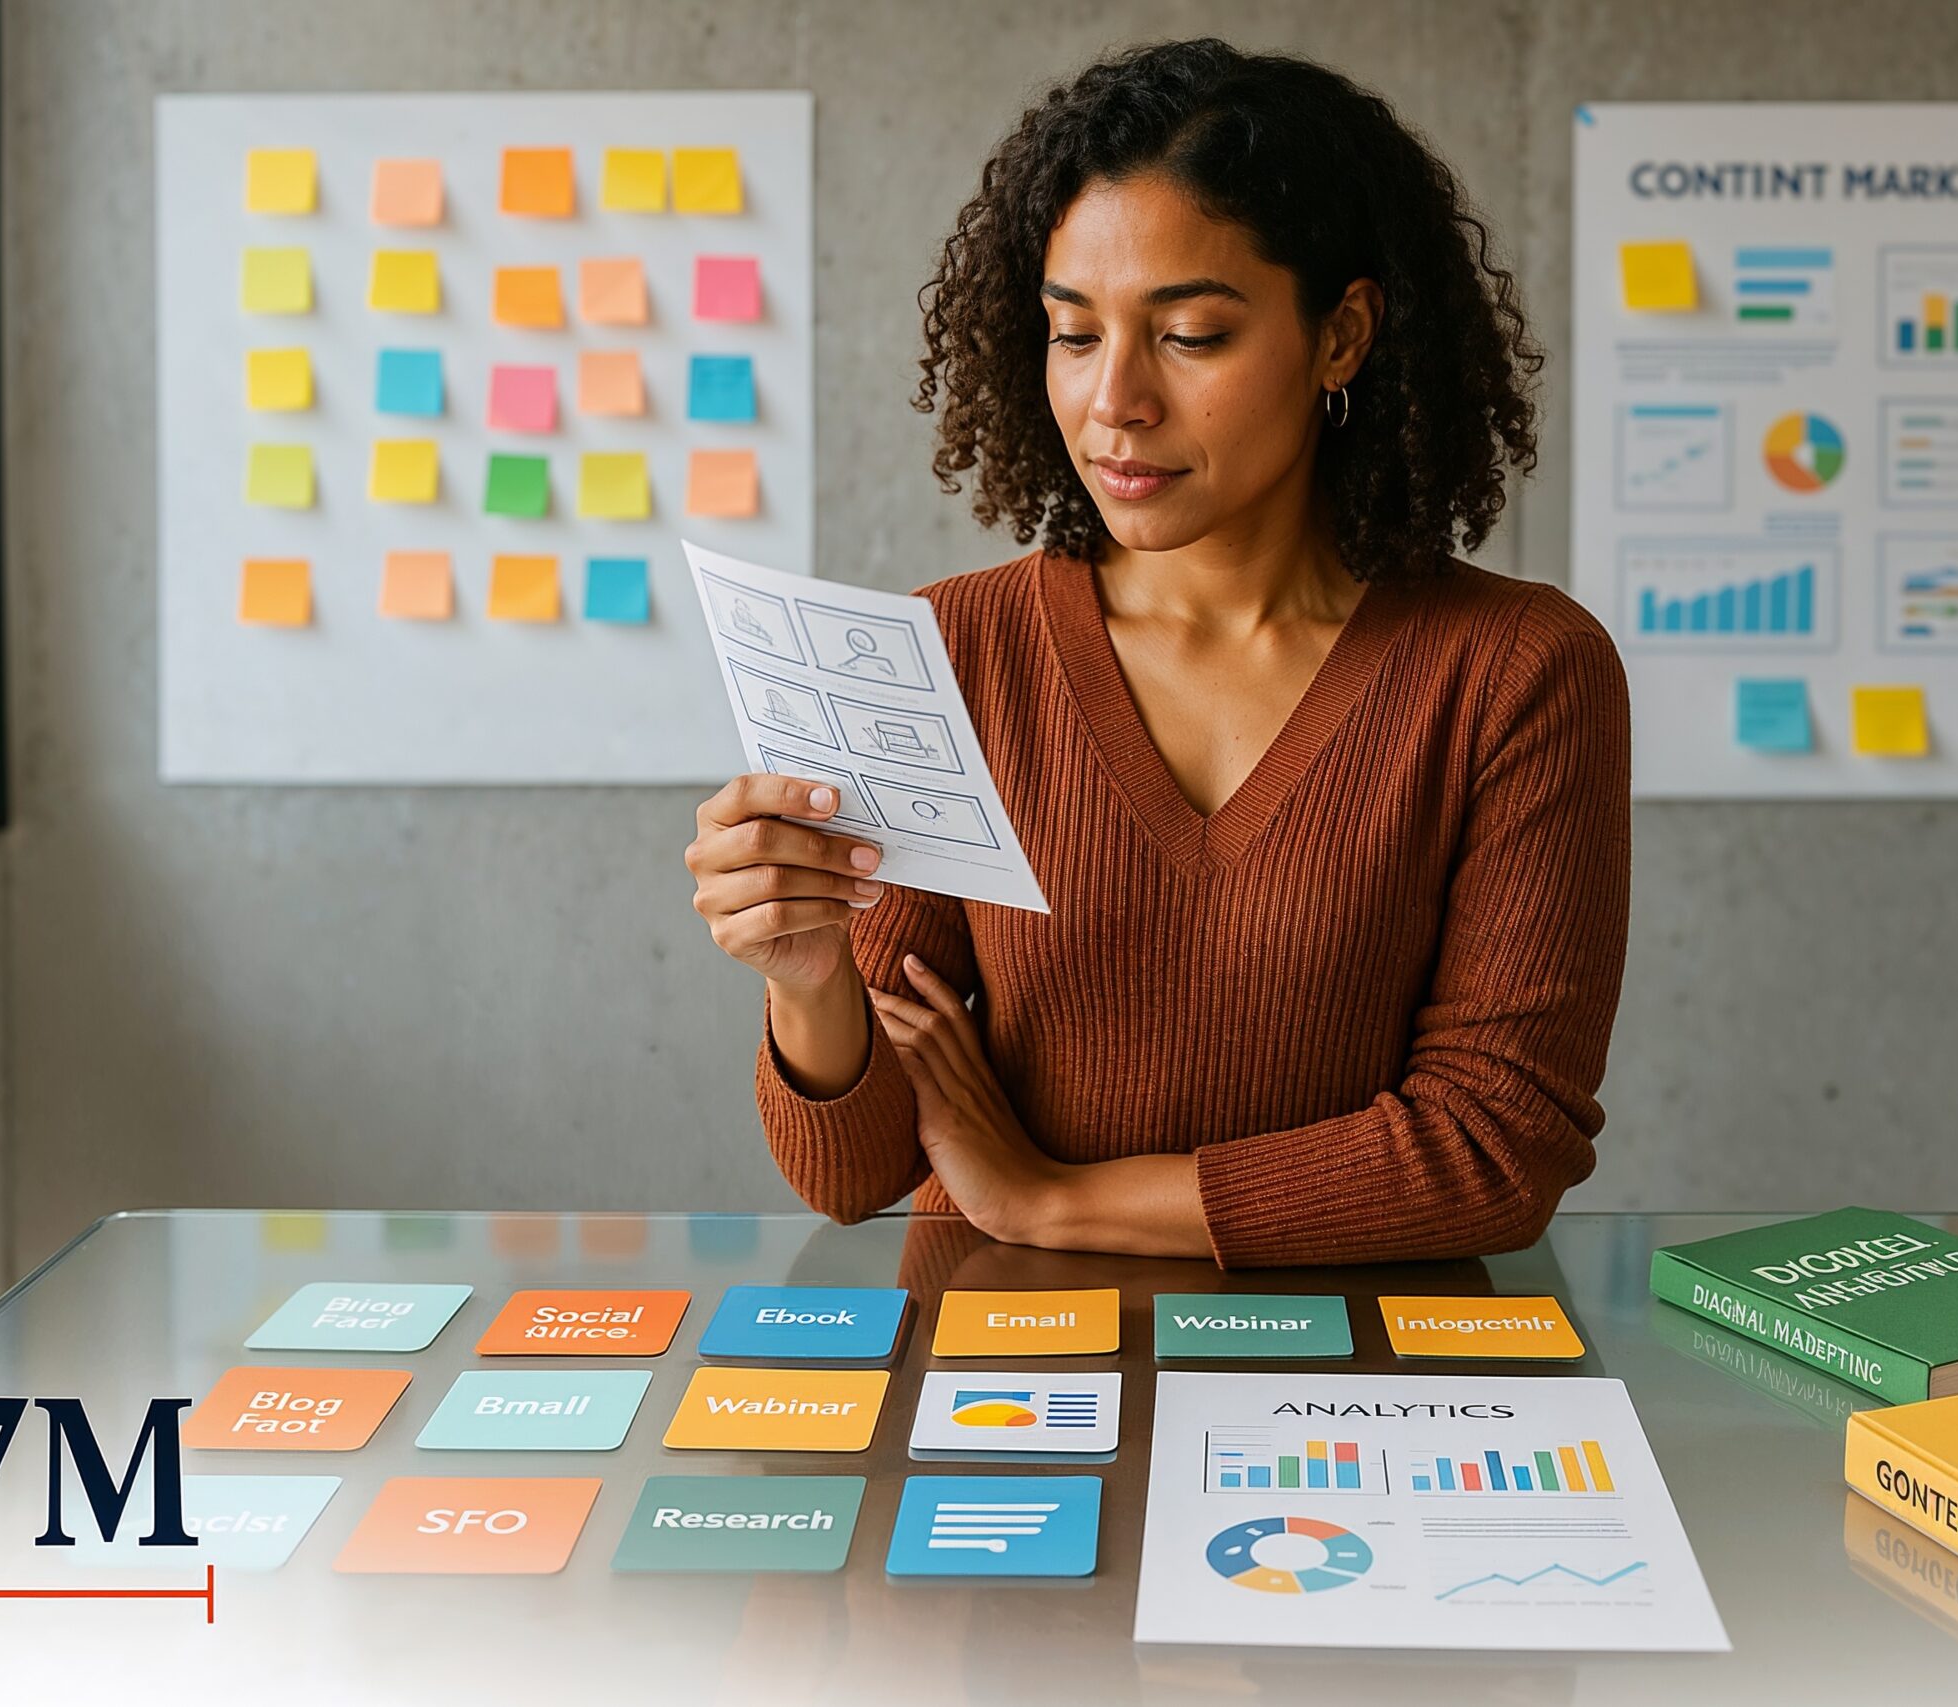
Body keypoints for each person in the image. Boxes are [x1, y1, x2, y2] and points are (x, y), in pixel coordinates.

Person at [685, 38, 1630, 1267]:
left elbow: (1493, 1150)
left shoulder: (1515, 671)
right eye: (1073, 334)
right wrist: (810, 978)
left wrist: (1054, 1201)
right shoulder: (954, 651)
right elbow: (852, 1175)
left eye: (1188, 336)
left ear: (1341, 336)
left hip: (1353, 1397)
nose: (1114, 400)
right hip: (1001, 1393)